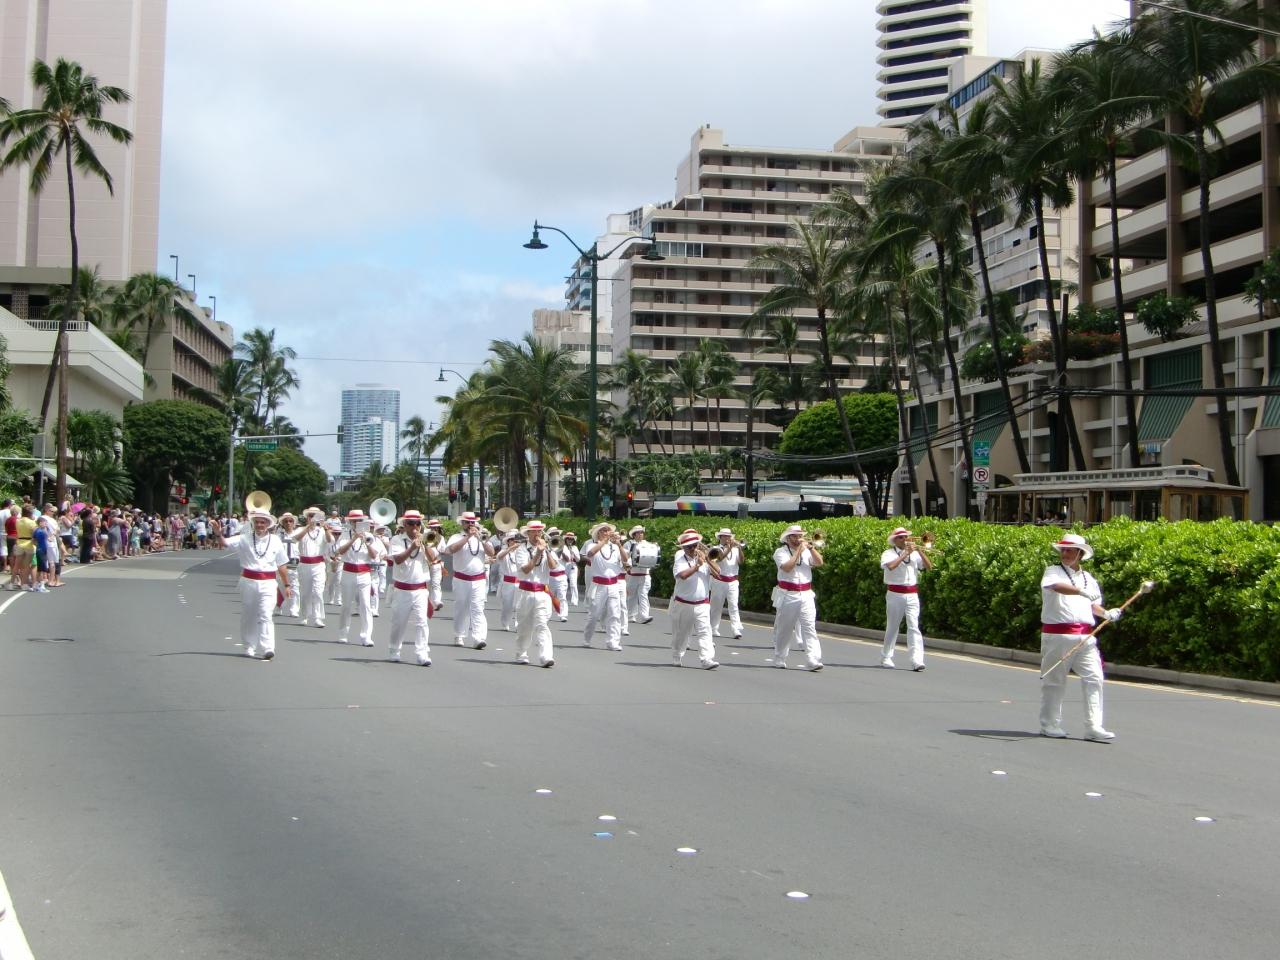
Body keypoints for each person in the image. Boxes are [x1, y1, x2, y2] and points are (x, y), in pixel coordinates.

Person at [1039, 533, 1120, 742]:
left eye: (1070, 550)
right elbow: (1055, 586)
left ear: (1080, 554)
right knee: (1054, 681)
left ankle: (1093, 727)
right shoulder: (1053, 571)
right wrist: (1081, 592)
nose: (1065, 553)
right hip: (1057, 636)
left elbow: (1093, 605)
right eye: (1063, 550)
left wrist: (1106, 613)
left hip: (1085, 637)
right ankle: (1049, 724)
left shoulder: (1089, 579)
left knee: (1095, 678)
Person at [217, 509, 292, 660]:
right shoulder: (244, 538)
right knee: (249, 614)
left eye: (262, 522)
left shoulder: (275, 540)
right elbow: (224, 543)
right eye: (257, 522)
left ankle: (268, 648)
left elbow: (282, 565)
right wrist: (218, 534)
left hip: (268, 582)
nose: (259, 525)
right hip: (248, 581)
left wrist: (286, 585)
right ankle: (249, 645)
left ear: (268, 524)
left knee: (266, 614)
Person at [880, 526, 933, 671]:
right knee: (893, 626)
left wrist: (920, 551)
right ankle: (886, 656)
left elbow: (929, 567)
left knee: (914, 626)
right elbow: (891, 566)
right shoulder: (888, 553)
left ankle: (917, 660)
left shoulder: (914, 553)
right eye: (901, 537)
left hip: (912, 594)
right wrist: (905, 554)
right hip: (895, 594)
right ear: (894, 540)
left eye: (905, 537)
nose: (904, 539)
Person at [772, 525, 824, 671]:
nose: (798, 539)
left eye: (800, 536)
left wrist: (811, 548)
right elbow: (787, 567)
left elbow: (819, 562)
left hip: (806, 594)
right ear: (787, 538)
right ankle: (780, 657)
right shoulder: (780, 552)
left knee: (809, 627)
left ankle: (813, 659)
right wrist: (799, 551)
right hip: (788, 594)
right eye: (794, 536)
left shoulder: (807, 551)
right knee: (785, 628)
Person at [387, 509, 434, 666]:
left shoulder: (425, 539)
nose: (415, 526)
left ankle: (422, 653)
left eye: (417, 523)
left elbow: (433, 559)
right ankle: (394, 649)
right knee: (399, 622)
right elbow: (398, 559)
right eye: (411, 523)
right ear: (405, 525)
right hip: (402, 589)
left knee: (422, 622)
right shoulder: (396, 540)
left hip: (420, 589)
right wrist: (412, 547)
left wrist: (425, 544)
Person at [442, 511, 492, 650]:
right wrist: (468, 537)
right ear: (462, 523)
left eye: (472, 522)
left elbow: (491, 553)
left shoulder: (481, 537)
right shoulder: (456, 537)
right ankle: (459, 634)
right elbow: (451, 550)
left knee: (478, 608)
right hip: (461, 579)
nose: (470, 524)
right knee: (461, 608)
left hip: (479, 579)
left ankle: (478, 638)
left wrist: (481, 540)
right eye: (467, 522)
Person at [670, 529, 719, 669]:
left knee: (705, 631)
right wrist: (697, 566)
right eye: (689, 547)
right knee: (681, 633)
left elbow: (718, 573)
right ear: (684, 548)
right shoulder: (680, 560)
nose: (693, 549)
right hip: (683, 604)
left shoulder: (704, 560)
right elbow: (683, 576)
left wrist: (708, 560)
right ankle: (677, 654)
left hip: (702, 604)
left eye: (695, 545)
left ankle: (707, 659)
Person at [513, 520, 558, 667]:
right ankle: (521, 653)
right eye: (534, 531)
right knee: (524, 627)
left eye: (539, 531)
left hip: (542, 593)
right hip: (525, 592)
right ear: (528, 533)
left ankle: (546, 656)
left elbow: (553, 566)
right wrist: (538, 553)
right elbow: (526, 569)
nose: (537, 534)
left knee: (542, 624)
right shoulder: (521, 549)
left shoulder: (545, 548)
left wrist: (546, 551)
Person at [335, 510, 384, 647]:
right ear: (350, 522)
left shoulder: (369, 536)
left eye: (359, 521)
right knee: (346, 605)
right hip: (348, 572)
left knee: (366, 605)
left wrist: (366, 542)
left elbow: (374, 555)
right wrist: (354, 538)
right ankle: (343, 633)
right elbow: (340, 551)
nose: (357, 523)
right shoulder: (345, 534)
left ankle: (366, 636)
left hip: (364, 573)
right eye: (354, 521)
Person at [582, 522, 627, 651]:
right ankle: (587, 638)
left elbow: (625, 559)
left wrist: (619, 545)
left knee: (614, 614)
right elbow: (590, 554)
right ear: (598, 533)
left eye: (608, 530)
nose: (607, 533)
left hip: (613, 585)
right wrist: (604, 541)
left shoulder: (615, 547)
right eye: (604, 531)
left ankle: (613, 642)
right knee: (594, 614)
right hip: (598, 585)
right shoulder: (592, 545)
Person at [292, 509, 331, 628]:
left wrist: (326, 529)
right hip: (304, 564)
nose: (313, 518)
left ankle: (318, 617)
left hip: (318, 564)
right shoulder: (301, 529)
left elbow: (330, 541)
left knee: (318, 592)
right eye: (310, 516)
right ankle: (304, 616)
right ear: (307, 518)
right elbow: (295, 539)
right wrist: (308, 527)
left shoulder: (322, 531)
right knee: (305, 593)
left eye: (315, 516)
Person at [709, 528, 744, 640]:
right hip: (719, 581)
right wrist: (729, 548)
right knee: (716, 606)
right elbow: (719, 558)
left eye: (729, 536)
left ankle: (736, 629)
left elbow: (741, 561)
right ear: (720, 537)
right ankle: (713, 628)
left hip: (733, 581)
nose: (727, 538)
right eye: (725, 536)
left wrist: (739, 548)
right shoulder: (715, 548)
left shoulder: (735, 549)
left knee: (734, 605)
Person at [495, 531, 523, 631]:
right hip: (508, 582)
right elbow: (499, 557)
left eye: (516, 540)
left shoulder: (521, 552)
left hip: (519, 582)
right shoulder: (504, 551)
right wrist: (510, 549)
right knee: (508, 605)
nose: (515, 542)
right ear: (508, 541)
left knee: (519, 605)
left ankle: (518, 624)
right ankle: (505, 622)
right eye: (512, 540)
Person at [276, 513, 302, 618]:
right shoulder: (278, 536)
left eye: (290, 521)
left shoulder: (299, 534)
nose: (288, 523)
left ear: (294, 523)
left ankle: (294, 609)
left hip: (294, 564)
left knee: (295, 587)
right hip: (281, 565)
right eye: (286, 521)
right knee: (282, 587)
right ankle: (282, 605)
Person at [425, 518, 447, 615]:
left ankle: (437, 601)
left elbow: (444, 550)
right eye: (432, 527)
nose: (434, 529)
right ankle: (427, 603)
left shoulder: (441, 538)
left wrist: (438, 546)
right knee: (426, 584)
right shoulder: (424, 536)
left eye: (436, 527)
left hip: (437, 563)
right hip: (425, 564)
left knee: (436, 583)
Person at [324, 519, 344, 607]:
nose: (337, 535)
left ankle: (339, 599)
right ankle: (331, 598)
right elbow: (325, 554)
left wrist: (339, 560)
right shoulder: (329, 543)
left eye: (339, 533)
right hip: (330, 563)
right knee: (331, 582)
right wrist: (331, 561)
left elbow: (345, 554)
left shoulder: (342, 542)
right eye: (335, 533)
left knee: (339, 581)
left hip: (340, 563)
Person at [560, 531, 581, 608]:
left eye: (572, 539)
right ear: (565, 539)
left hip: (573, 566)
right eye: (568, 539)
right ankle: (563, 598)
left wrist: (573, 553)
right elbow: (561, 558)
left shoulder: (575, 548)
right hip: (565, 566)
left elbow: (578, 559)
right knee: (563, 583)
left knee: (573, 583)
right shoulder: (562, 547)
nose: (570, 540)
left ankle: (575, 600)